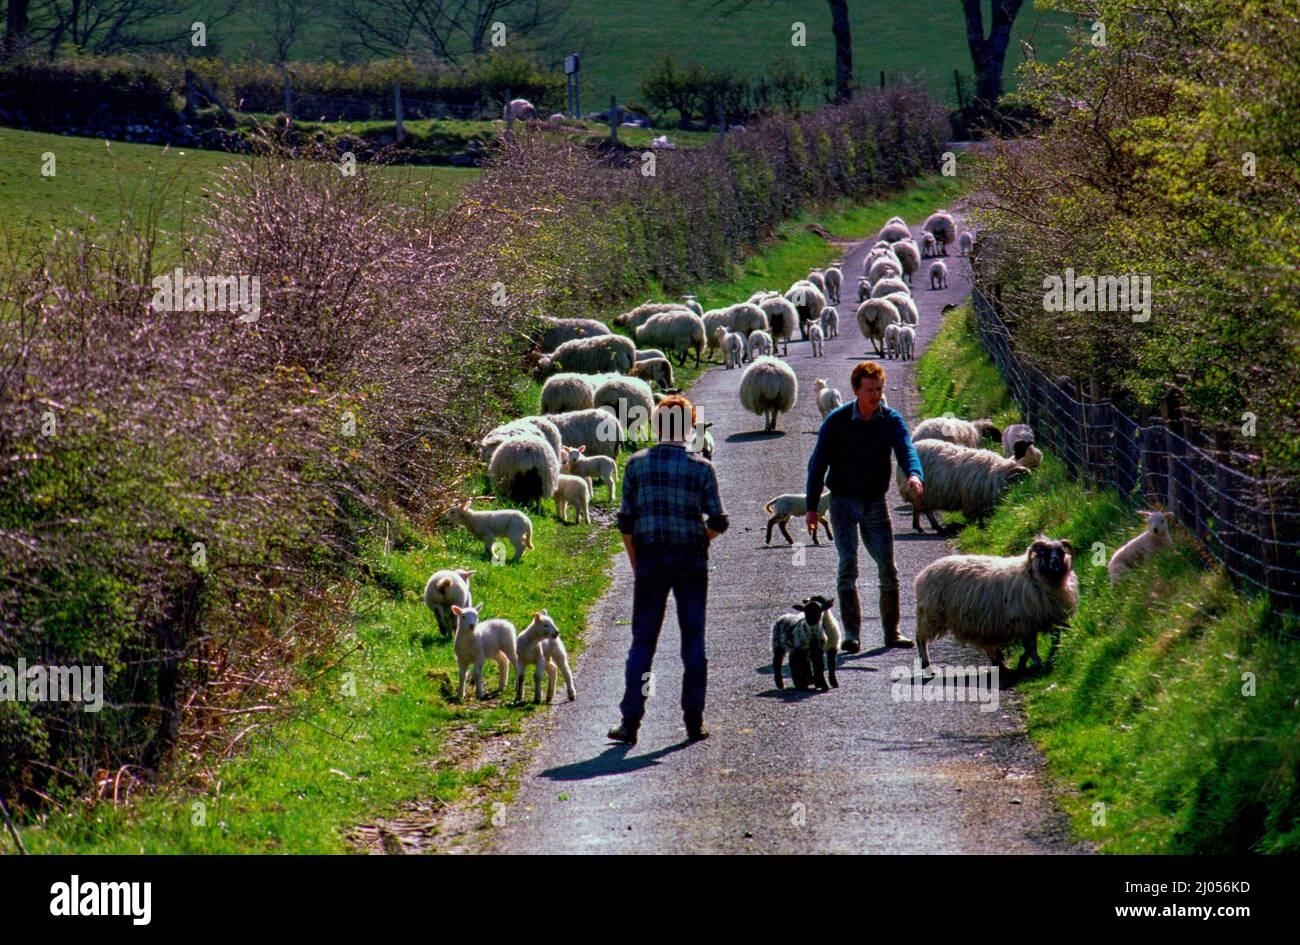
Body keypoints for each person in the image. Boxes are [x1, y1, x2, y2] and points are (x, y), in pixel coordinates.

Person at [608, 394, 728, 745]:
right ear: (690, 427)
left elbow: (625, 523)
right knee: (693, 640)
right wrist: (700, 540)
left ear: (657, 425)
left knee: (643, 641)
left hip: (651, 560)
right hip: (691, 561)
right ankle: (694, 720)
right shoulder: (702, 467)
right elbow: (719, 520)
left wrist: (636, 561)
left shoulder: (636, 465)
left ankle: (631, 722)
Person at [805, 361, 923, 652]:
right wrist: (811, 507)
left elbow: (906, 448)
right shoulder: (836, 421)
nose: (875, 395)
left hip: (874, 502)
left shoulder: (890, 420)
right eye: (869, 390)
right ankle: (851, 634)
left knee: (888, 568)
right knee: (848, 567)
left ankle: (892, 632)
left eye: (879, 389)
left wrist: (915, 474)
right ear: (856, 390)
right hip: (843, 501)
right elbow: (817, 465)